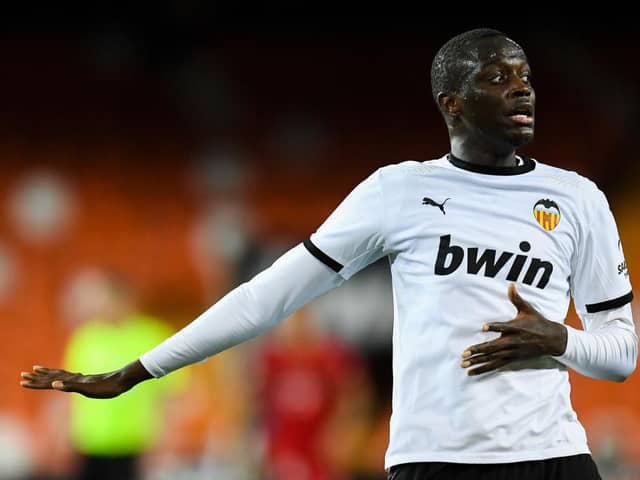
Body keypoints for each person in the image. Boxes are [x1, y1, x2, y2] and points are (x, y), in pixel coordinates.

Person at [21, 28, 636, 480]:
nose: (520, 89)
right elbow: (268, 296)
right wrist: (139, 370)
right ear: (450, 101)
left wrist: (559, 340)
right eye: (496, 78)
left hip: (554, 458)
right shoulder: (398, 191)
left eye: (525, 76)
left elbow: (621, 355)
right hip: (435, 461)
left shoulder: (578, 198)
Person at [58, 268, 185, 480]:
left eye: (103, 296)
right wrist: (64, 434)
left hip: (134, 446)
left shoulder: (152, 336)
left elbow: (174, 395)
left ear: (123, 297)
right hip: (89, 445)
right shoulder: (86, 338)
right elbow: (71, 393)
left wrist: (165, 441)